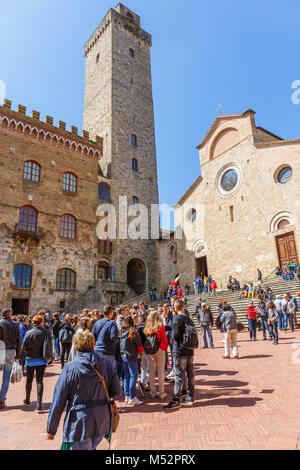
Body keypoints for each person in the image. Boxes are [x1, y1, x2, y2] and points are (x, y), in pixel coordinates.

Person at [47, 330, 122, 450]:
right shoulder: (106, 364)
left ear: (76, 347)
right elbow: (117, 392)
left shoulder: (70, 368)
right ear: (93, 345)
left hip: (80, 422)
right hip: (102, 420)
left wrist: (51, 429)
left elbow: (58, 401)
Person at [164, 300, 196, 409]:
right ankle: (190, 396)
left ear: (174, 307)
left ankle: (176, 399)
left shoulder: (177, 318)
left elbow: (175, 335)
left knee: (178, 374)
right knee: (190, 373)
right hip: (190, 349)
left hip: (179, 350)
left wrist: (171, 332)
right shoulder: (188, 318)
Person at [22, 314, 53, 413]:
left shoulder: (29, 332)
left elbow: (24, 346)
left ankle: (27, 399)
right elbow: (49, 345)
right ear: (41, 322)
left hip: (30, 358)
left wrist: (28, 351)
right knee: (39, 381)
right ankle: (39, 405)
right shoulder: (45, 332)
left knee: (29, 380)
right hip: (42, 359)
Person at [0, 308, 22, 409]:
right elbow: (19, 341)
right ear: (9, 314)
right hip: (10, 351)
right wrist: (18, 355)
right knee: (6, 376)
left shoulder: (0, 323)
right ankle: (1, 399)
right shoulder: (15, 324)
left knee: (6, 375)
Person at [144, 310, 168, 400]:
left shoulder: (147, 327)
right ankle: (161, 392)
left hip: (150, 350)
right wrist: (164, 349)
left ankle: (153, 392)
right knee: (161, 371)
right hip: (160, 349)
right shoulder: (160, 326)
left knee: (151, 371)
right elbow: (164, 339)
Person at [120, 316, 143, 406]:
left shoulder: (122, 332)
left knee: (126, 376)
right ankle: (132, 397)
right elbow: (139, 343)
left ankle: (127, 395)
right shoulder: (133, 332)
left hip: (124, 355)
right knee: (134, 375)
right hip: (131, 356)